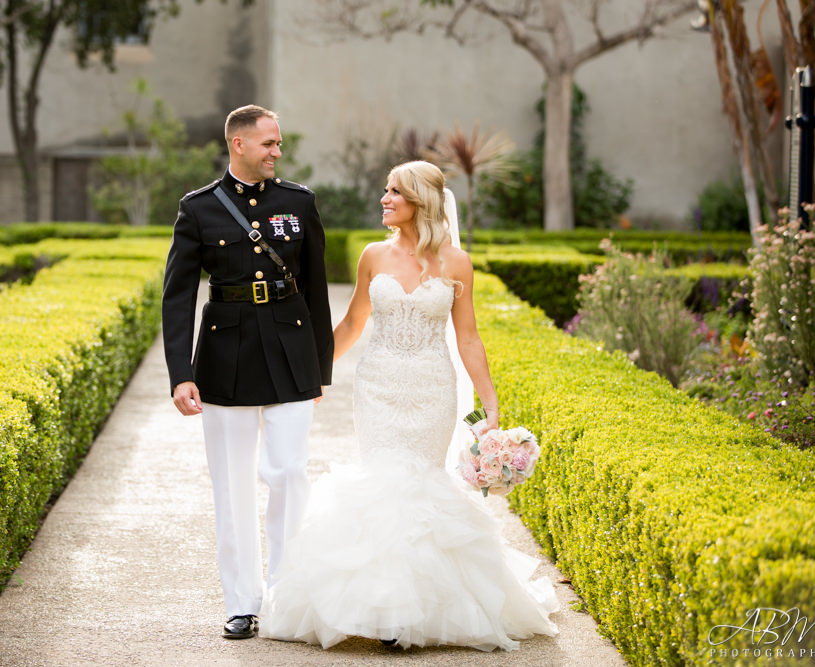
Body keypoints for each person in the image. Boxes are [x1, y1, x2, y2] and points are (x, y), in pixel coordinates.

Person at [259, 160, 559, 651]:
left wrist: (490, 404)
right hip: (376, 386)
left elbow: (468, 337)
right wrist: (308, 374)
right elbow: (354, 322)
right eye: (386, 190)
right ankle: (387, 612)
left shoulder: (456, 263)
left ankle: (414, 614)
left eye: (395, 192)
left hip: (431, 388)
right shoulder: (373, 256)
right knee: (382, 481)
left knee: (419, 484)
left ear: (420, 201)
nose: (385, 199)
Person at [161, 104, 334, 640]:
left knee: (288, 473)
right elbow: (178, 297)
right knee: (232, 485)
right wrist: (180, 373)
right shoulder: (198, 209)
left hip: (289, 354)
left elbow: (317, 288)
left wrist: (320, 367)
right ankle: (242, 602)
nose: (277, 152)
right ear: (239, 144)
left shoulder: (298, 203)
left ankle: (286, 593)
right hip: (225, 358)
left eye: (278, 143)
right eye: (269, 144)